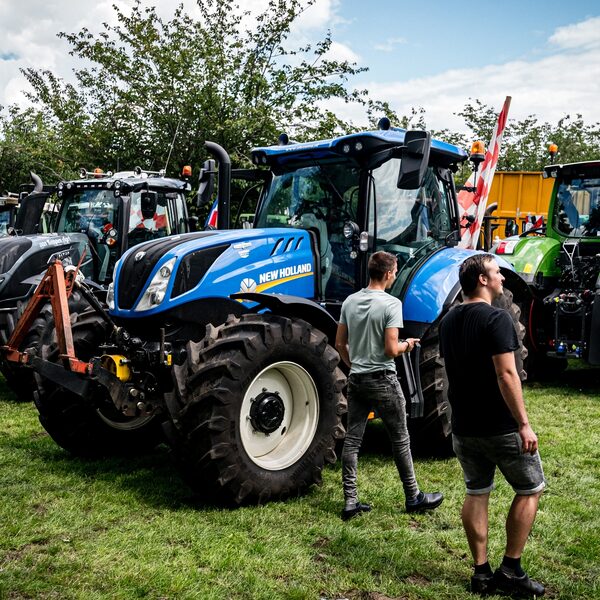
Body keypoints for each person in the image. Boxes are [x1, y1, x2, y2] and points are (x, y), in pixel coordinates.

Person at [439, 254, 545, 597]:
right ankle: (511, 570)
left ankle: (481, 573)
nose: (501, 278)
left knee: (476, 491)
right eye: (497, 273)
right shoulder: (497, 319)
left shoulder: (448, 321)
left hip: (463, 428)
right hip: (500, 427)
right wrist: (524, 424)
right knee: (530, 489)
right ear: (482, 280)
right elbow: (506, 373)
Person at [335, 251, 443, 521]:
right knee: (401, 439)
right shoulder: (391, 304)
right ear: (387, 274)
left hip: (357, 379)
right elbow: (391, 348)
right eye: (394, 271)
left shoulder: (350, 301)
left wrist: (354, 364)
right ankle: (413, 496)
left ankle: (350, 500)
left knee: (352, 441)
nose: (395, 275)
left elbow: (339, 344)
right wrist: (408, 345)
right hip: (383, 379)